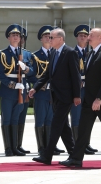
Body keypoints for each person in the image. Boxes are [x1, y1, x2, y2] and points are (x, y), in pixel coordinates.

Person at [59, 28, 101, 168]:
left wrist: (99, 99)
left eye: (91, 35)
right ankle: (76, 158)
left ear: (100, 37)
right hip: (89, 99)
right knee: (84, 129)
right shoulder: (91, 53)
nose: (88, 37)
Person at [30, 28, 80, 165]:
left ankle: (47, 155)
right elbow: (47, 74)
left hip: (66, 96)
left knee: (56, 124)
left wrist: (77, 95)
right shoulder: (53, 52)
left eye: (52, 38)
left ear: (60, 39)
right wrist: (36, 88)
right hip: (55, 96)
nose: (49, 40)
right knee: (64, 127)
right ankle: (74, 155)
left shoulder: (70, 53)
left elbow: (76, 76)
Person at [0, 24, 33, 156]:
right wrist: (12, 84)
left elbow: (32, 72)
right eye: (13, 35)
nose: (16, 37)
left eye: (18, 35)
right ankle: (8, 148)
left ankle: (15, 146)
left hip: (21, 89)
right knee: (7, 119)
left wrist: (26, 69)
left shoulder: (26, 54)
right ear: (8, 38)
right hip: (8, 91)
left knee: (16, 118)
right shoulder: (3, 54)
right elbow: (0, 74)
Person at [70, 24, 97, 155]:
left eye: (86, 36)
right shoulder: (72, 53)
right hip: (77, 90)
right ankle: (77, 144)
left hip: (89, 89)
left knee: (87, 118)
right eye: (81, 35)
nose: (83, 37)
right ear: (77, 38)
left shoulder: (91, 53)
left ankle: (86, 143)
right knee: (76, 118)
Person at [28, 25, 55, 155]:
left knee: (50, 120)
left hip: (53, 93)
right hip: (41, 93)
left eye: (50, 37)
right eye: (45, 36)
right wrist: (38, 85)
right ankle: (41, 148)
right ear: (41, 39)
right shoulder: (35, 56)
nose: (48, 39)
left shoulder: (56, 54)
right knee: (40, 120)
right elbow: (31, 75)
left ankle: (49, 147)